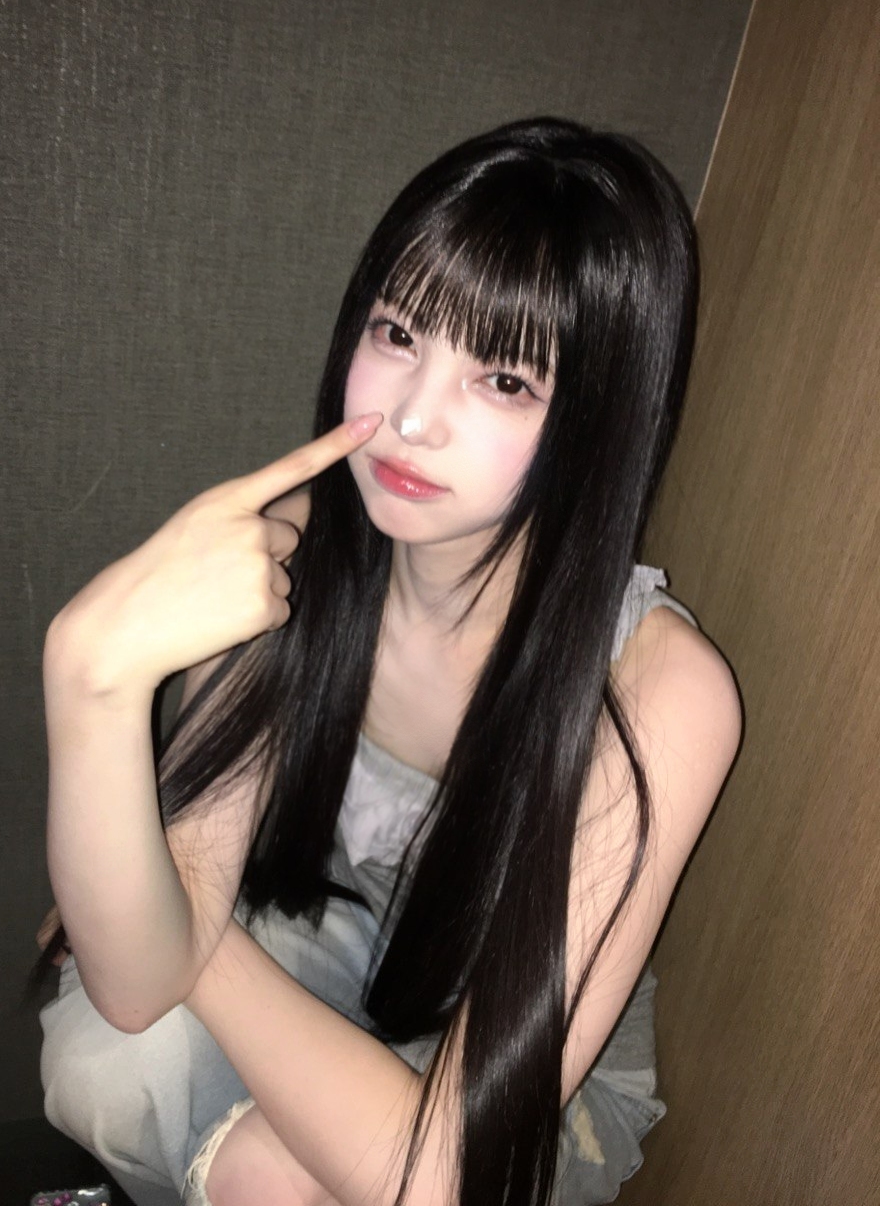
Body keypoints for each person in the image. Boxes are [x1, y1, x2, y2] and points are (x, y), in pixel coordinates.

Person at [36, 118, 742, 1206]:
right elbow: (132, 989)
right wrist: (90, 680)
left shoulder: (660, 689)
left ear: (599, 420)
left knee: (274, 1171)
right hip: (330, 926)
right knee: (105, 1050)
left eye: (504, 379)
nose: (411, 418)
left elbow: (445, 1172)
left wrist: (173, 917)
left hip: (520, 1061)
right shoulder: (288, 557)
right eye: (399, 331)